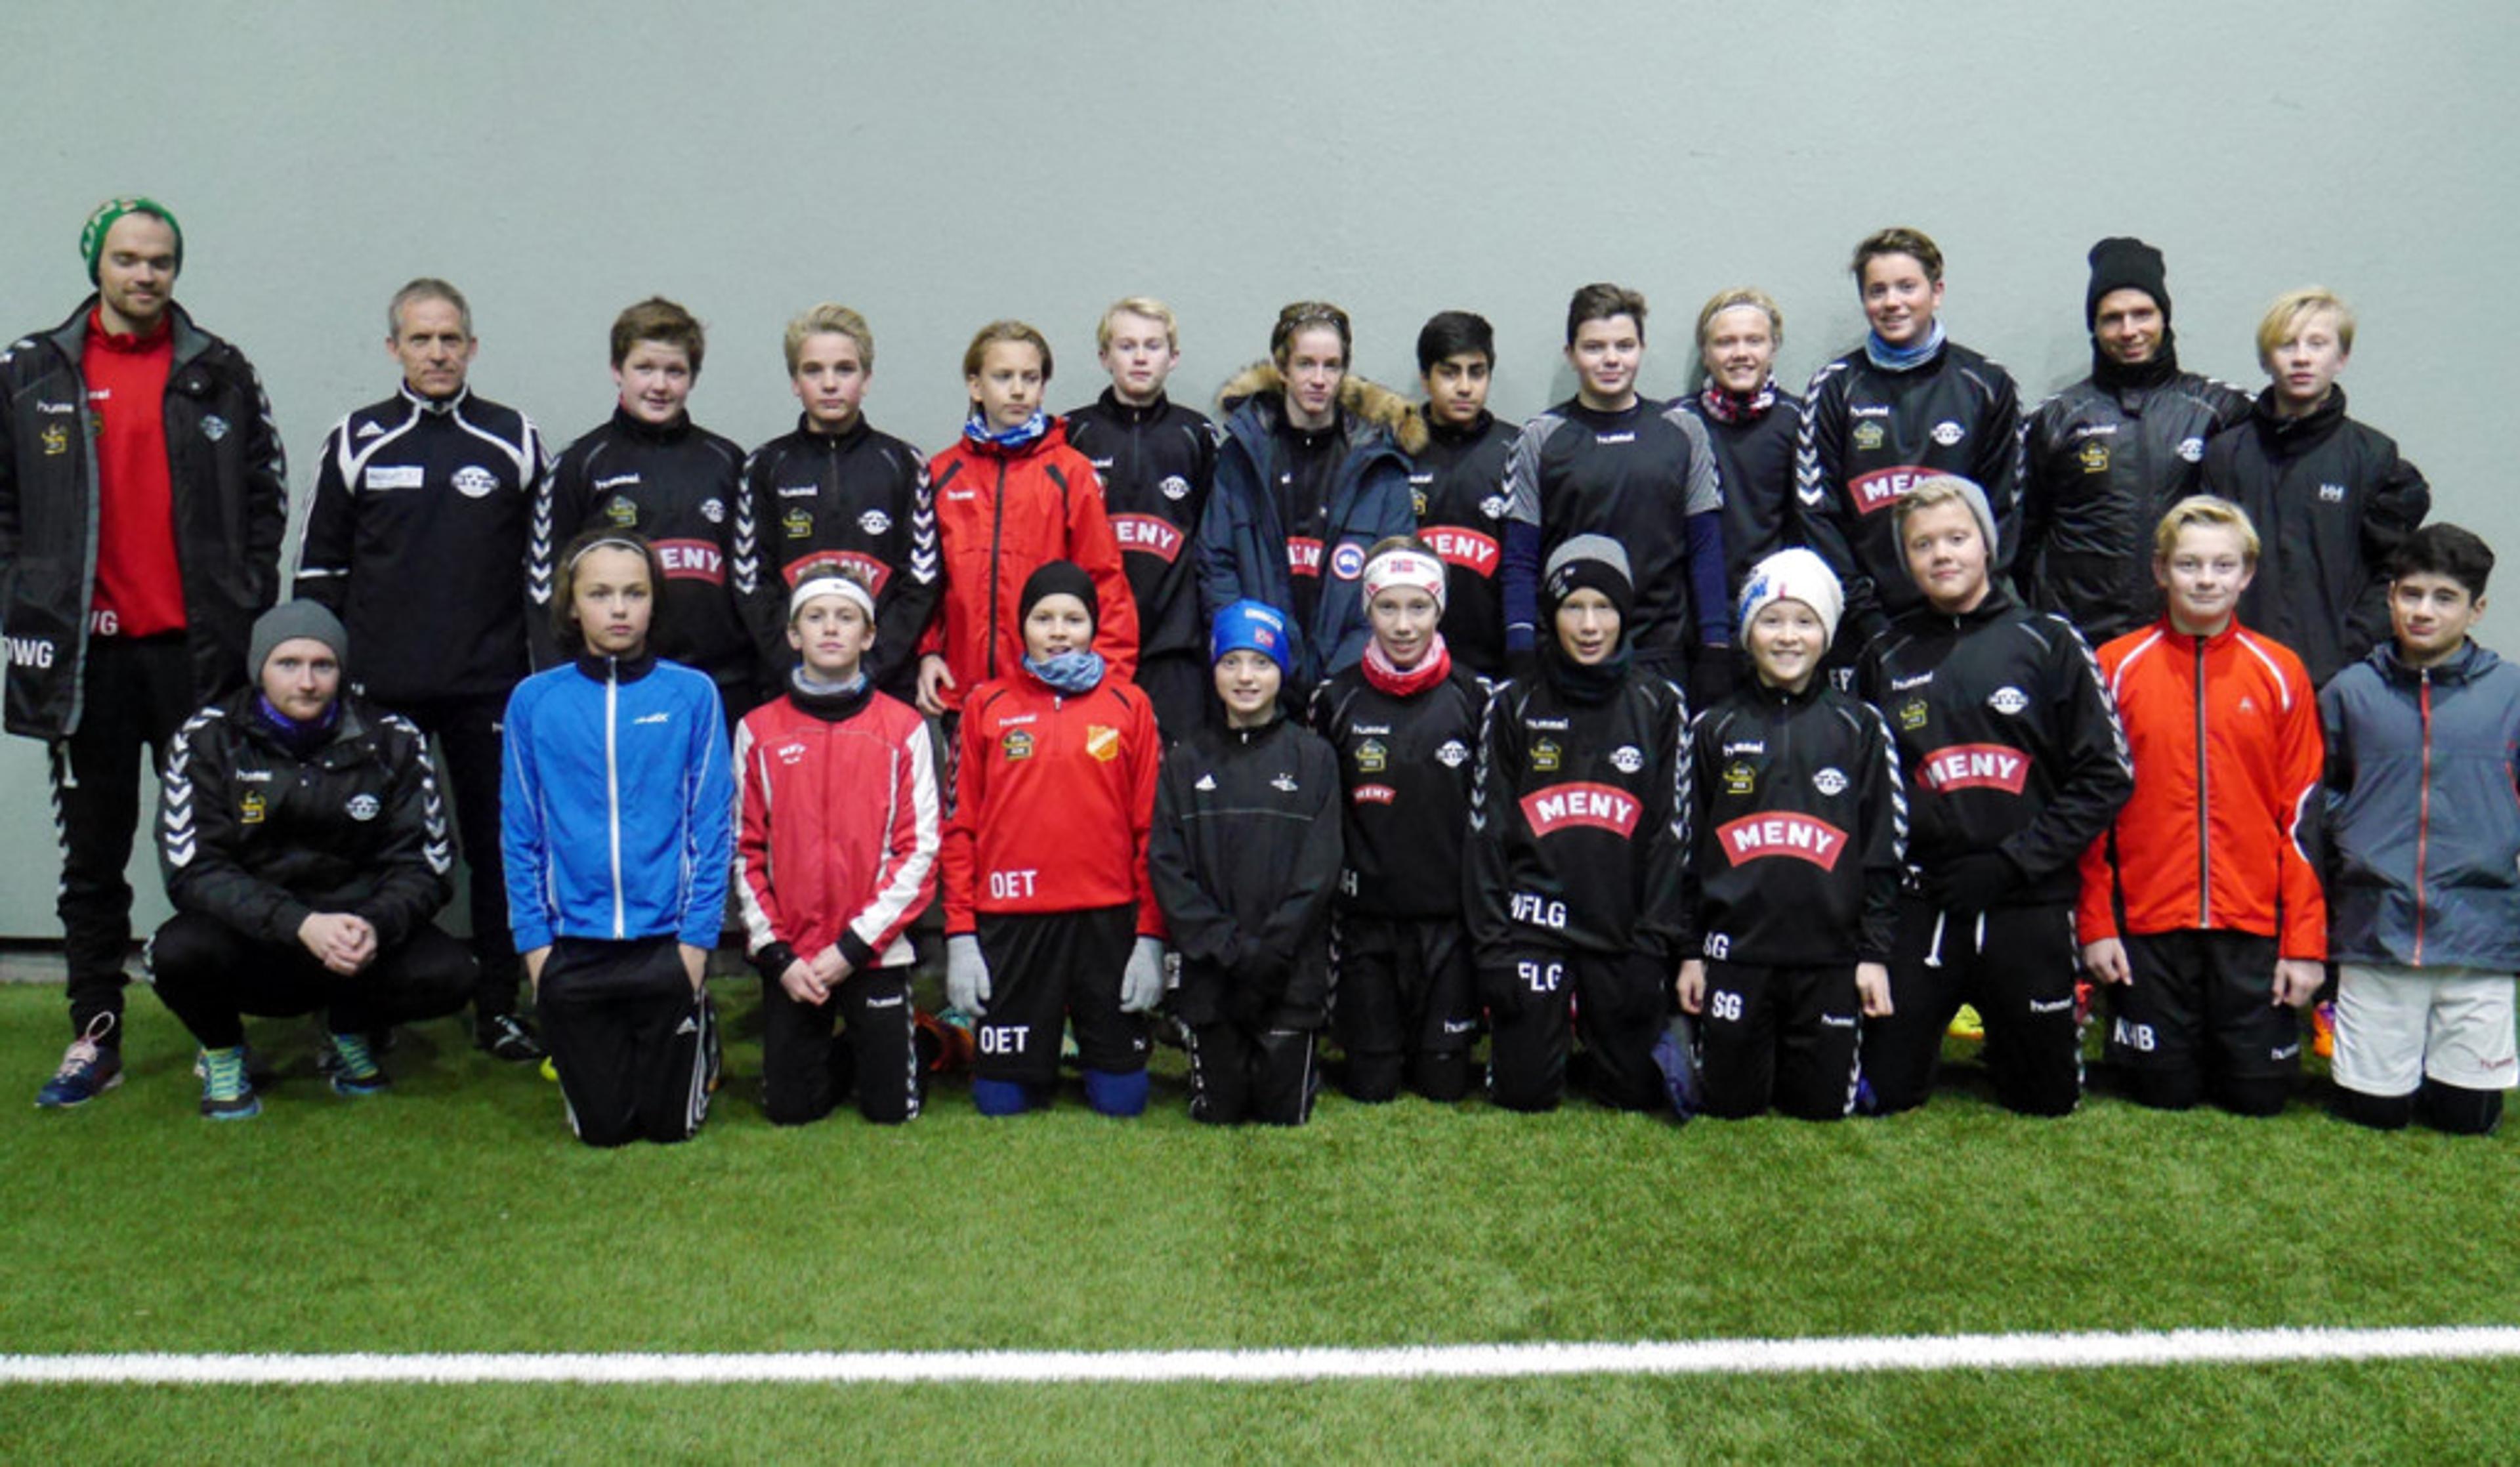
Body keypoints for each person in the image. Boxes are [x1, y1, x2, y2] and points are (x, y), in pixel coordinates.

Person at [2, 196, 287, 1107]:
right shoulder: (31, 371)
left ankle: (219, 1033)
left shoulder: (219, 370)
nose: (144, 275)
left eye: (159, 260)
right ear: (97, 264)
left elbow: (265, 498)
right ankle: (96, 1034)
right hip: (85, 665)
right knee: (94, 858)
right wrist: (28, 599)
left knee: (217, 849)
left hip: (195, 659)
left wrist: (243, 603)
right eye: (127, 258)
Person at [295, 277, 548, 1063]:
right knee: (369, 848)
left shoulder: (514, 438)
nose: (437, 353)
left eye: (450, 339)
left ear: (472, 347)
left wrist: (540, 678)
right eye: (420, 339)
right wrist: (323, 687)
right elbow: (318, 574)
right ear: (393, 348)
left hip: (490, 690)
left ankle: (499, 1007)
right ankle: (363, 1009)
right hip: (378, 695)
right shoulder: (357, 439)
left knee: (499, 849)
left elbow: (545, 577)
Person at [1858, 475, 2131, 1116]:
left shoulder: (2049, 641)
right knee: (1885, 1092)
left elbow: (2108, 775)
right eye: (1923, 544)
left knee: (2045, 1099)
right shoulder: (1886, 654)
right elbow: (1868, 796)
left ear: (1987, 543)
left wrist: (2013, 862)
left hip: (2026, 900)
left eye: (1957, 538)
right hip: (1926, 903)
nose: (1942, 555)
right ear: (1906, 559)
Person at [150, 601, 473, 1118]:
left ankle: (347, 1028)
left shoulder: (394, 738)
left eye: (322, 665)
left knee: (450, 973)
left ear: (341, 671)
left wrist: (373, 924)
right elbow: (193, 868)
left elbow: (426, 864)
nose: (307, 682)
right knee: (176, 952)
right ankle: (223, 1050)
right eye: (288, 664)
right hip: (257, 941)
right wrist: (298, 923)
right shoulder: (207, 737)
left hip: (354, 944)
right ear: (260, 669)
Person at [2079, 496, 2324, 1114]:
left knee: (2258, 1097)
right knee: (2164, 1092)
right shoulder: (2114, 666)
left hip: (2252, 924)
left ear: (2248, 574)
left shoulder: (2281, 670)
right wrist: (2097, 925)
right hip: (2150, 923)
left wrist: (2303, 943)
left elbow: (2302, 818)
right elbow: (2090, 812)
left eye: (2223, 565)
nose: (2207, 579)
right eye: (2189, 564)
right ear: (2160, 570)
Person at [501, 530, 733, 1147]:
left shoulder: (692, 694)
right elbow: (521, 832)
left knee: (670, 1128)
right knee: (604, 1131)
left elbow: (711, 828)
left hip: (666, 944)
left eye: (635, 593)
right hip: (572, 949)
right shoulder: (534, 701)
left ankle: (698, 1023)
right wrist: (536, 949)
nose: (619, 608)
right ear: (572, 605)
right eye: (600, 594)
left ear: (655, 602)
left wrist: (695, 943)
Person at [1465, 536, 1691, 1113]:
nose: (1590, 626)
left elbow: (1671, 836)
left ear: (1625, 613)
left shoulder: (1660, 704)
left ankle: (1638, 1026)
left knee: (1632, 1093)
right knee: (1525, 1094)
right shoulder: (1513, 702)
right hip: (1536, 927)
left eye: (1605, 607)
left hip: (1620, 931)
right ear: (1551, 614)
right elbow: (1486, 834)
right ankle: (1538, 1030)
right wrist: (1493, 950)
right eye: (1574, 607)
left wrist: (1653, 944)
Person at [1677, 550, 1900, 1121]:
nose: (1787, 637)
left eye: (1805, 620)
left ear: (1827, 633)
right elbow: (1685, 854)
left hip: (1829, 958)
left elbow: (1883, 850)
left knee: (1819, 1108)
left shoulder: (1860, 727)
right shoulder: (1714, 727)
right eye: (1771, 620)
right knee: (1730, 1105)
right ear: (1747, 633)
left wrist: (1873, 955)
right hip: (1736, 955)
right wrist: (1690, 953)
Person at [938, 563, 1165, 1117]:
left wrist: (1150, 938)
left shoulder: (1130, 705)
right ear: (1022, 626)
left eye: (1073, 618)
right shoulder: (986, 705)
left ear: (1094, 626)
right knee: (1001, 1101)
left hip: (1105, 920)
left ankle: (1089, 1048)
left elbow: (1152, 831)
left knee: (1123, 1100)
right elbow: (960, 828)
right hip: (1013, 920)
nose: (1059, 631)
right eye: (1043, 618)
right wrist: (961, 936)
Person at [2320, 524, 2520, 1136]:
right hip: (2377, 928)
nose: (2423, 611)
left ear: (2476, 609)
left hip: (2478, 931)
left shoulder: (2511, 694)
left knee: (2469, 1120)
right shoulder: (2352, 691)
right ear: (2391, 597)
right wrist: (2353, 830)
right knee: (2375, 1115)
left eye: (2444, 598)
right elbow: (2319, 788)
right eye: (2411, 594)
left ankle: (2449, 1072)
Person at [733, 566, 940, 1126]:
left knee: (891, 1111)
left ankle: (913, 1038)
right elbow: (745, 853)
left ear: (869, 635)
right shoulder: (758, 730)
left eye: (846, 617)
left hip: (872, 949)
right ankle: (842, 1048)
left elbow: (920, 852)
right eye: (815, 616)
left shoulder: (903, 728)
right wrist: (779, 955)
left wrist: (852, 947)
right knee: (790, 1111)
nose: (830, 628)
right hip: (795, 956)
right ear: (793, 633)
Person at [1149, 600, 1343, 1124]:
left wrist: (1271, 950)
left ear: (1282, 670)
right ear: (1213, 670)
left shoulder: (1314, 757)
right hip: (1214, 976)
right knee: (1221, 1110)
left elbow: (1320, 868)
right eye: (1231, 661)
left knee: (1284, 1112)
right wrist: (1228, 948)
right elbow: (1168, 866)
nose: (1246, 677)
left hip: (1288, 974)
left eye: (1261, 662)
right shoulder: (1186, 760)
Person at [1796, 227, 2025, 667]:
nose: (1892, 302)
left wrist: (1967, 601)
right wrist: (1867, 618)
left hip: (1966, 621)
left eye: (1907, 287)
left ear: (1936, 292)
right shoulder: (1833, 389)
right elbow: (1817, 514)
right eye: (1877, 291)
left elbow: (2006, 511)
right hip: (1865, 629)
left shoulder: (1987, 385)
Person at [1310, 538, 1487, 1102]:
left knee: (1444, 1084)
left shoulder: (1477, 698)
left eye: (1419, 607)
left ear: (1440, 609)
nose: (1404, 625)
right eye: (1388, 606)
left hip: (1449, 927)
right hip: (1367, 927)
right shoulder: (1334, 699)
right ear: (1367, 609)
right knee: (1372, 1085)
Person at [1500, 284, 1729, 708]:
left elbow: (1706, 548)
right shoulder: (1540, 437)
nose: (1611, 359)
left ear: (1642, 348)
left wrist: (1716, 645)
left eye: (1624, 345)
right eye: (1594, 347)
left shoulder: (1684, 430)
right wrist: (1520, 647)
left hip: (1662, 652)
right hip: (1569, 654)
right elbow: (1520, 559)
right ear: (1571, 354)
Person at [2018, 238, 2252, 645]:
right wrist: (2055, 618)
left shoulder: (2222, 411)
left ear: (2164, 318)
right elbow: (2020, 540)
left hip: (2191, 641)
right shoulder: (2054, 420)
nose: (2129, 331)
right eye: (2112, 318)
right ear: (2095, 327)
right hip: (2085, 645)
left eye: (2142, 314)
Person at [537, 297, 755, 719]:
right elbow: (545, 587)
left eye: (675, 371)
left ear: (693, 377)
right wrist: (563, 685)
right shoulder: (580, 463)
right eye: (645, 368)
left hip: (722, 684)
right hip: (615, 686)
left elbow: (752, 579)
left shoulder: (728, 462)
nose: (660, 385)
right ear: (617, 370)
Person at [2201, 287, 2430, 687]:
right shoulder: (2226, 455)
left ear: (2342, 358)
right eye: (2287, 344)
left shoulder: (2372, 456)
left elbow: (2394, 571)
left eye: (2317, 344)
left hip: (2336, 677)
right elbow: (2202, 558)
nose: (2302, 358)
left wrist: (2350, 646)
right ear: (2265, 359)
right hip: (2236, 672)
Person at [1200, 301, 1419, 702]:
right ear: (1282, 368)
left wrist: (1344, 676)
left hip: (1354, 682)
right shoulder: (1243, 455)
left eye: (1331, 366)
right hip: (1257, 680)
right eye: (1306, 364)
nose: (1319, 379)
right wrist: (1254, 654)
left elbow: (1394, 577)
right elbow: (1217, 564)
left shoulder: (1379, 463)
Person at [918, 322, 1136, 718]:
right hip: (961, 694)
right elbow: (925, 581)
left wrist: (1110, 684)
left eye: (1030, 378)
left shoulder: (1070, 472)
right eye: (1003, 377)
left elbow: (1104, 581)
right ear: (975, 386)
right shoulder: (942, 474)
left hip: (1049, 696)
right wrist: (927, 652)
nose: (1018, 390)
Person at [738, 303, 938, 703]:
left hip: (884, 685)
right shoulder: (765, 466)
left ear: (867, 379)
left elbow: (921, 578)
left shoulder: (903, 463)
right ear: (795, 382)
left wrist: (872, 665)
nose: (830, 384)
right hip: (788, 684)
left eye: (845, 370)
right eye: (813, 371)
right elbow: (751, 580)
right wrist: (795, 666)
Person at [1062, 297, 1219, 741]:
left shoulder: (1196, 434)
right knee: (1098, 763)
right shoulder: (1073, 433)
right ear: (1104, 357)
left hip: (1175, 650)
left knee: (1177, 772)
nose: (1140, 357)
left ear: (1173, 357)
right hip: (1092, 646)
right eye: (1126, 345)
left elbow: (1212, 542)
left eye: (1153, 346)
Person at [1405, 310, 1519, 680]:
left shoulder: (1516, 451)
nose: (1465, 387)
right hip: (1408, 660)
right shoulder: (1395, 452)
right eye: (1450, 373)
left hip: (1495, 663)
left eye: (1477, 372)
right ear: (1425, 378)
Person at [1675, 287, 1805, 602]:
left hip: (1776, 602)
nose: (1741, 353)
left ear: (1773, 349)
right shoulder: (1678, 423)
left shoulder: (1799, 420)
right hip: (1697, 606)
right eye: (1725, 342)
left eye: (1754, 341)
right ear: (1705, 353)